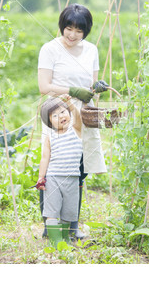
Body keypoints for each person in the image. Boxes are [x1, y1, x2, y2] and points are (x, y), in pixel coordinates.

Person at [38, 3, 109, 239]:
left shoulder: (91, 50)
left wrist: (95, 89)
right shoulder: (50, 49)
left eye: (79, 30)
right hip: (58, 114)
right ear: (62, 26)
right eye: (69, 28)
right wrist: (72, 91)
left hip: (82, 116)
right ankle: (50, 225)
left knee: (79, 169)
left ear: (86, 31)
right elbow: (44, 86)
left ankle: (72, 225)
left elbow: (92, 86)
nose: (72, 35)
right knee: (55, 168)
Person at [36, 95, 83, 239]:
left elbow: (78, 117)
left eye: (63, 112)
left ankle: (63, 240)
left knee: (68, 213)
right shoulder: (49, 137)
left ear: (68, 113)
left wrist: (70, 104)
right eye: (54, 116)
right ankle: (54, 241)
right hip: (53, 178)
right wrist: (41, 177)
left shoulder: (76, 130)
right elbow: (45, 158)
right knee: (51, 211)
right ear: (49, 122)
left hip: (72, 178)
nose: (60, 116)